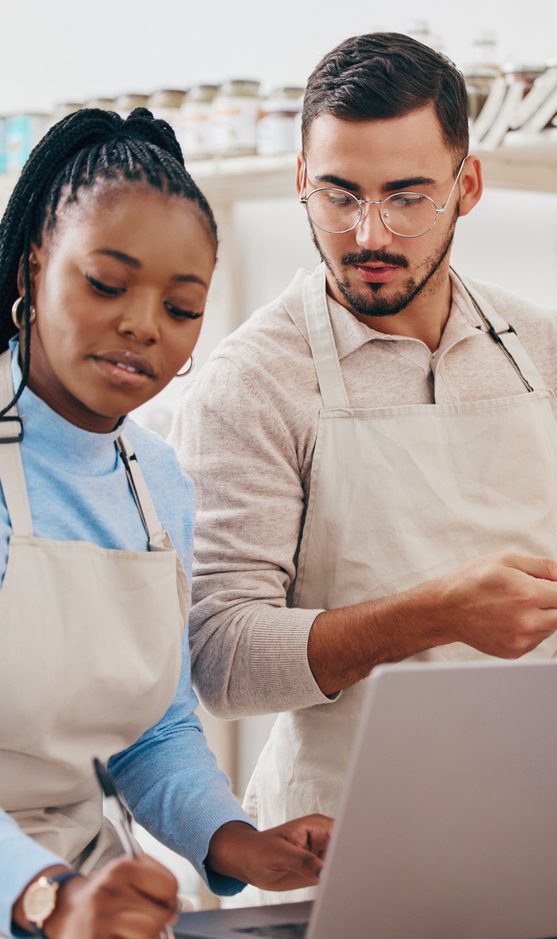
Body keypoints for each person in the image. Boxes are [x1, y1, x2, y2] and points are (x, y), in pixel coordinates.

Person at [170, 33, 557, 904]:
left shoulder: (544, 346)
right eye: (339, 196)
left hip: (550, 819)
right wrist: (435, 614)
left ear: (466, 188)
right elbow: (221, 657)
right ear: (301, 179)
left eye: (408, 198)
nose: (370, 234)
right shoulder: (250, 381)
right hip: (341, 850)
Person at [0, 108, 331, 939]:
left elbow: (154, 728)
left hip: (92, 898)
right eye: (107, 285)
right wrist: (44, 895)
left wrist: (240, 843)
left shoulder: (158, 482)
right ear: (36, 261)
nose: (144, 325)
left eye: (181, 308)